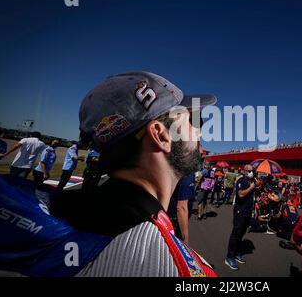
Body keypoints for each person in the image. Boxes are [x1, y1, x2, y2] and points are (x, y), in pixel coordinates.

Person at [51, 71, 217, 276]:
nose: (199, 132)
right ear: (160, 135)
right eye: (192, 120)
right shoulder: (171, 266)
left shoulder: (58, 212)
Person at [225, 164, 260, 270]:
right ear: (244, 171)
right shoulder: (242, 181)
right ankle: (229, 257)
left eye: (252, 171)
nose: (251, 172)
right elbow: (240, 194)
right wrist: (251, 187)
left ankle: (236, 252)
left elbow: (253, 196)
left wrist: (256, 187)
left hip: (248, 212)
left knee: (241, 234)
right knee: (236, 233)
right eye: (249, 171)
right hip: (240, 212)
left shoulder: (252, 181)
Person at [167, 172, 196, 245]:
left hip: (166, 215)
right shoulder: (187, 174)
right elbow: (181, 208)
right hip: (175, 220)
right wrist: (185, 239)